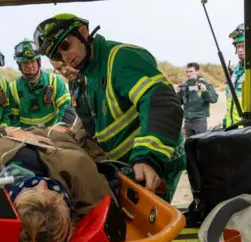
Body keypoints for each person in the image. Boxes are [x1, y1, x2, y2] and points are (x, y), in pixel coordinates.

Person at [34, 13, 186, 202]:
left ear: (83, 32)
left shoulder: (121, 59)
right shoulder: (87, 76)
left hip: (156, 159)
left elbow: (161, 102)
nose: (65, 58)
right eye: (57, 55)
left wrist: (149, 157)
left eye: (65, 45)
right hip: (125, 164)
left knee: (152, 222)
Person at [0, 126, 125, 242]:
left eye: (31, 190)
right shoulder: (80, 171)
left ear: (10, 205)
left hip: (7, 137)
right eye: (53, 191)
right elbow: (87, 145)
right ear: (72, 217)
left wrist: (6, 131)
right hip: (55, 135)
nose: (42, 182)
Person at [9, 38, 72, 128]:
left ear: (39, 62)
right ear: (19, 65)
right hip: (25, 137)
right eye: (25, 63)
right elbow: (13, 120)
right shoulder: (13, 88)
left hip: (51, 135)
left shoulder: (54, 81)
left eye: (32, 61)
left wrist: (58, 129)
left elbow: (66, 109)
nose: (30, 65)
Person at [51, 60, 95, 135]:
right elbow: (81, 115)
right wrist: (72, 132)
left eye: (65, 65)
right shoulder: (72, 83)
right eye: (59, 69)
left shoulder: (92, 79)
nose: (64, 72)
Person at [177, 62, 218, 137]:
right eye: (187, 72)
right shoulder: (184, 86)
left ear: (197, 72)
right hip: (187, 121)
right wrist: (179, 93)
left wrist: (204, 91)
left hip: (199, 121)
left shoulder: (205, 85)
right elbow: (179, 102)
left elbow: (214, 99)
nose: (189, 74)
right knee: (189, 145)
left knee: (200, 145)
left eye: (191, 71)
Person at [223, 23, 245, 128]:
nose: (240, 50)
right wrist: (226, 119)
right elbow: (230, 101)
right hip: (232, 127)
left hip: (247, 129)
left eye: (243, 46)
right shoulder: (236, 71)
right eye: (238, 46)